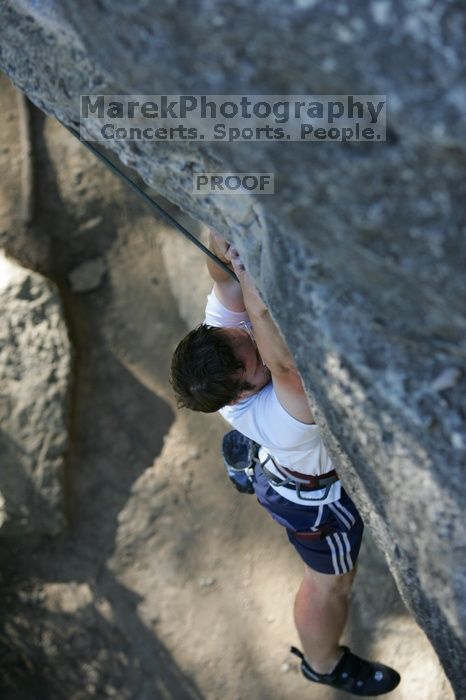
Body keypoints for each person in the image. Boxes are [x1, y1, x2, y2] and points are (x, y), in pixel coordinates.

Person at [170, 230, 400, 696]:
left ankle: (246, 457)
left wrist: (224, 244)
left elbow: (224, 282)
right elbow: (288, 369)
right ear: (242, 391)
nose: (249, 336)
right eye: (254, 365)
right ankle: (322, 662)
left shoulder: (223, 342)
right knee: (330, 585)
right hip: (315, 503)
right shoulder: (283, 414)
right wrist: (255, 279)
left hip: (275, 453)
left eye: (243, 338)